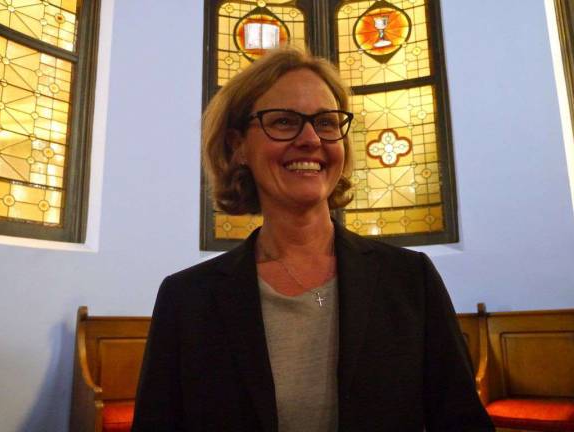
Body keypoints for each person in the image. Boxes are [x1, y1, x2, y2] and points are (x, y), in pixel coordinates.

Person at [132, 46, 493, 432]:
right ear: (238, 146)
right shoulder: (187, 298)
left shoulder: (410, 279)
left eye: (326, 122)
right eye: (284, 122)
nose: (310, 139)